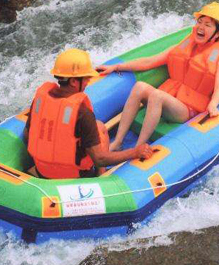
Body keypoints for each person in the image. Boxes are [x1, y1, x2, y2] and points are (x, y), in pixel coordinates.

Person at [96, 2, 219, 151]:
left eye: (208, 25)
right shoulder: (182, 47)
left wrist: (213, 105)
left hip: (187, 109)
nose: (201, 27)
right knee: (140, 87)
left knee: (157, 95)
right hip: (169, 98)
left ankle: (138, 147)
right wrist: (116, 67)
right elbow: (149, 62)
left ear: (218, 33)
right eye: (199, 22)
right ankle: (118, 141)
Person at [24, 49, 153, 179]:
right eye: (86, 78)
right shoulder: (82, 113)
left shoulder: (39, 101)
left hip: (42, 171)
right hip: (73, 177)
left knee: (97, 126)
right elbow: (100, 159)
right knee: (101, 130)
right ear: (74, 82)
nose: (87, 82)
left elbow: (27, 135)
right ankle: (101, 177)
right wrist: (135, 152)